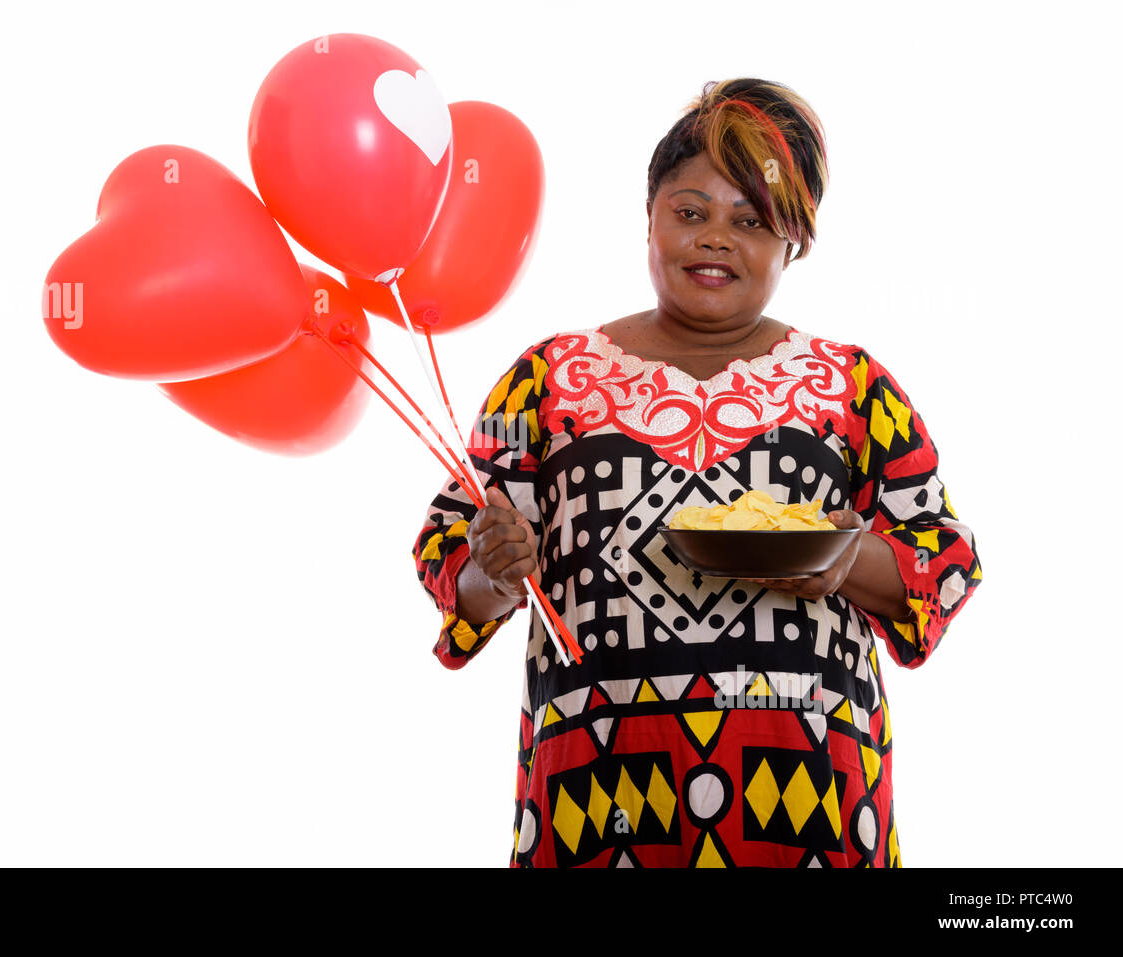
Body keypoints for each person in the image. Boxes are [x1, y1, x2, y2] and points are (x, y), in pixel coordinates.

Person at [411, 78, 982, 867]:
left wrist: (846, 559)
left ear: (793, 243)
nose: (716, 237)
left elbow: (944, 564)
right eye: (690, 211)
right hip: (595, 803)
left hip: (810, 808)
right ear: (648, 218)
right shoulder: (543, 380)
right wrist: (493, 572)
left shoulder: (854, 387)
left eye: (751, 221)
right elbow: (452, 558)